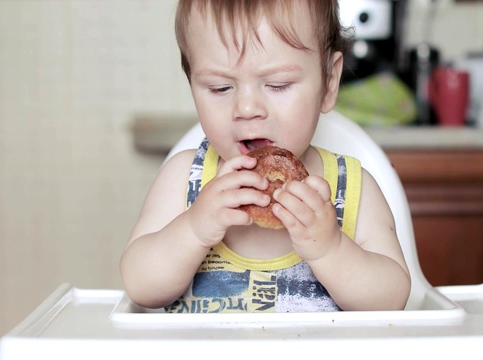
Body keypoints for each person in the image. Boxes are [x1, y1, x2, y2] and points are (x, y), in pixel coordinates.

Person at [120, 0, 411, 313]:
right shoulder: (183, 178)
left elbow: (392, 300)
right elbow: (139, 286)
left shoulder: (353, 188)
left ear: (328, 82)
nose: (247, 109)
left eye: (277, 84)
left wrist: (331, 249)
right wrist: (193, 229)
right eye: (220, 88)